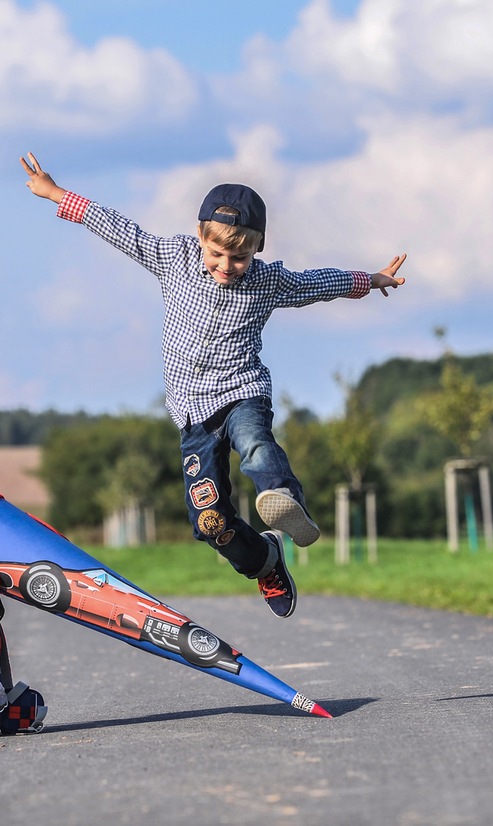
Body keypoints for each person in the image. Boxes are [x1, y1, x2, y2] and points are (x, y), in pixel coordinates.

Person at [21, 151, 406, 619]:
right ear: (199, 236)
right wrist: (56, 193)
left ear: (257, 248)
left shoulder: (267, 282)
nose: (227, 265)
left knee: (256, 445)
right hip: (191, 414)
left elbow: (316, 283)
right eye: (217, 253)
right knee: (210, 522)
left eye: (240, 256)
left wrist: (370, 278)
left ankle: (284, 500)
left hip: (242, 391)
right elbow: (118, 228)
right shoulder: (173, 258)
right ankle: (265, 560)